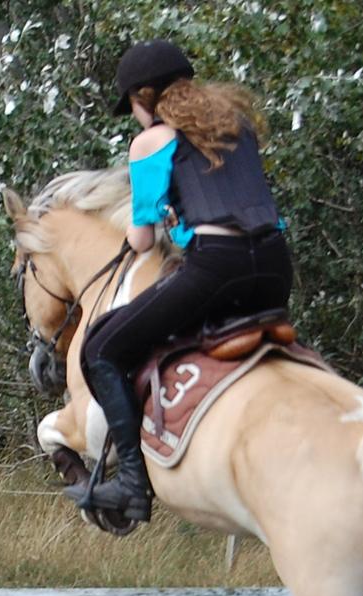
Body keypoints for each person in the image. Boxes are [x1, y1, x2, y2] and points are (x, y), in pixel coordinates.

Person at [65, 39, 293, 524]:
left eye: (130, 105)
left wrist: (149, 222)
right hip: (274, 268)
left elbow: (143, 240)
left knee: (102, 347)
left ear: (144, 97)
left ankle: (131, 483)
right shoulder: (237, 126)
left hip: (218, 267)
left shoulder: (151, 142)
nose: (133, 116)